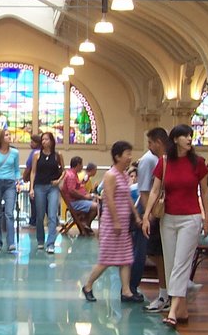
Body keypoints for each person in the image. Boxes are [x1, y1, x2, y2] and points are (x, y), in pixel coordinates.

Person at [141, 124, 208, 328]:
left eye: (190, 135)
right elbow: (154, 190)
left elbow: (204, 192)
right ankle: (182, 310)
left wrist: (205, 218)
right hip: (168, 218)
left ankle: (171, 312)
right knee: (171, 265)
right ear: (175, 139)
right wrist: (146, 216)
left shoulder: (198, 163)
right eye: (184, 136)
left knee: (180, 264)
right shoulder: (164, 162)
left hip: (191, 218)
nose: (189, 139)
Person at [81, 141, 139, 302]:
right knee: (106, 259)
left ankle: (126, 291)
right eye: (127, 154)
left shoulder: (124, 175)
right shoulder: (110, 175)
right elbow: (109, 199)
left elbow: (127, 197)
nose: (130, 157)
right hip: (113, 224)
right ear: (117, 156)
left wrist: (135, 214)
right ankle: (88, 286)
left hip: (123, 223)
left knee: (126, 258)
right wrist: (116, 221)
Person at [136, 128, 170, 310]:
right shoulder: (151, 160)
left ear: (159, 141)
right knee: (156, 253)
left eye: (150, 142)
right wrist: (148, 215)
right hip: (158, 214)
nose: (148, 147)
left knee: (161, 253)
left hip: (167, 214)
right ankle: (166, 293)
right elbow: (147, 191)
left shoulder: (167, 159)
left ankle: (169, 293)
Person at [29, 131, 64, 253]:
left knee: (52, 214)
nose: (44, 142)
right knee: (39, 215)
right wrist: (31, 188)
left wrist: (58, 180)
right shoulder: (37, 155)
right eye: (42, 140)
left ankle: (51, 243)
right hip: (39, 186)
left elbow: (63, 171)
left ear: (52, 141)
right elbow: (33, 172)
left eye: (46, 139)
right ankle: (40, 240)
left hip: (52, 187)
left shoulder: (57, 155)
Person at [61, 155, 98, 236]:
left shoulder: (74, 174)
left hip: (77, 200)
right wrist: (85, 197)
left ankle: (84, 223)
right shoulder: (71, 176)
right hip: (74, 203)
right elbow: (72, 191)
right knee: (97, 206)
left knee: (94, 200)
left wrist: (87, 195)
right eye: (81, 164)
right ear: (77, 165)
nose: (82, 167)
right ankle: (86, 224)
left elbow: (78, 187)